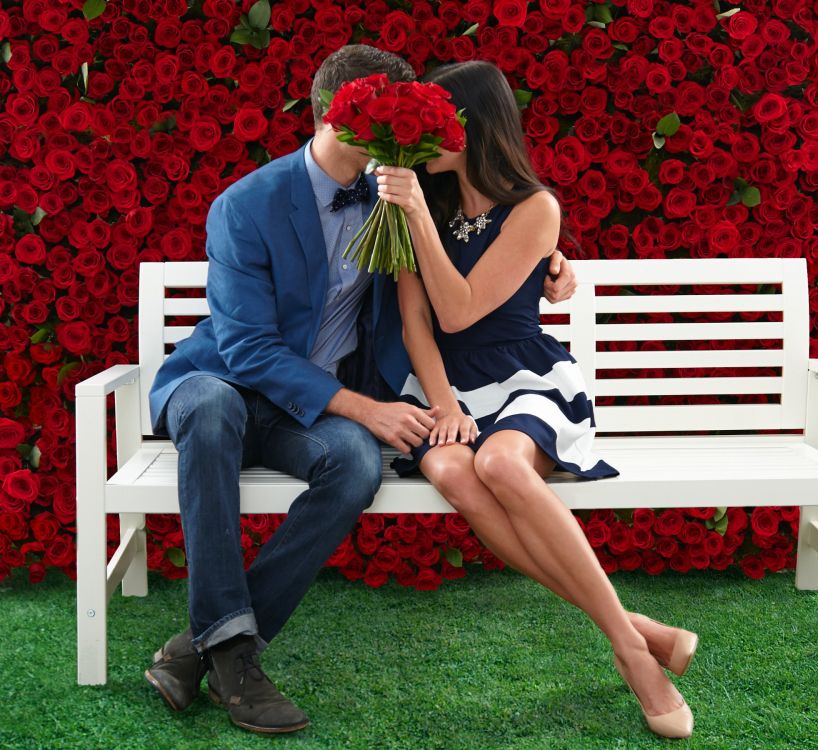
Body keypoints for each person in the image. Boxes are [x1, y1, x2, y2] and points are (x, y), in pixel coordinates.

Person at [142, 45, 579, 734]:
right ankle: (234, 655)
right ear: (350, 117)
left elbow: (479, 240)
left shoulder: (400, 196)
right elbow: (246, 349)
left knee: (352, 463)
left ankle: (196, 653)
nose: (412, 133)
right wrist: (362, 407)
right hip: (223, 382)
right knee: (210, 403)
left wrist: (550, 265)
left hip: (310, 412)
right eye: (397, 117)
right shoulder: (246, 205)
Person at [375, 60, 697, 739]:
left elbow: (459, 311)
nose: (422, 137)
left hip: (526, 379)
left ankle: (633, 657)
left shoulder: (535, 209)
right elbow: (418, 325)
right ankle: (633, 628)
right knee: (451, 468)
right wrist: (444, 407)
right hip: (445, 386)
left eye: (435, 122)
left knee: (499, 466)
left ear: (469, 126)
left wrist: (414, 216)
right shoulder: (417, 207)